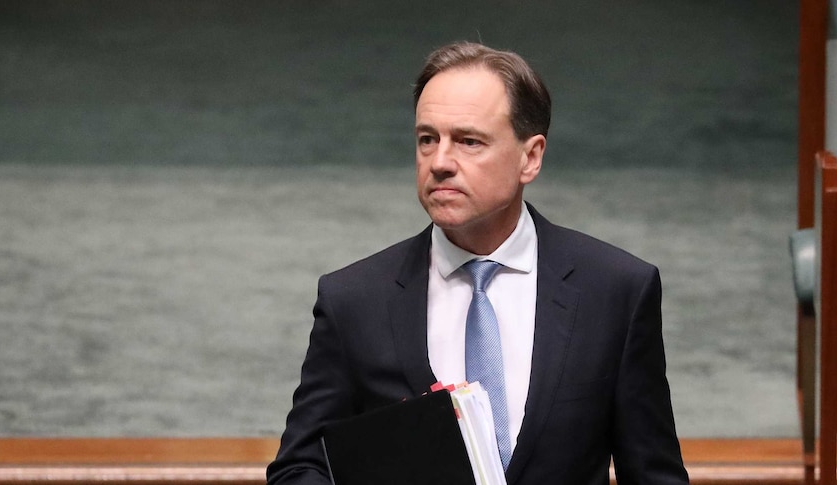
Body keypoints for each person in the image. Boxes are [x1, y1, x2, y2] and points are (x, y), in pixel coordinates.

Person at [267, 41, 689, 485]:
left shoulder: (616, 289)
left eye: (468, 141)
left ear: (531, 157)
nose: (440, 162)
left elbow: (653, 473)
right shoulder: (354, 299)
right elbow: (300, 468)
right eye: (427, 139)